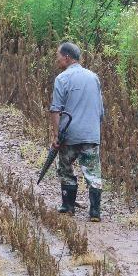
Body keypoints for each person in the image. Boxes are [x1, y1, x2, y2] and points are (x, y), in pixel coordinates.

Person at [49, 41, 105, 221]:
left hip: (70, 135)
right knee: (93, 173)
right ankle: (95, 212)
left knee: (65, 169)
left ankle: (68, 206)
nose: (57, 60)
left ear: (67, 58)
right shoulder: (93, 77)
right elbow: (100, 110)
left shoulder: (62, 79)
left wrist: (56, 135)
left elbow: (56, 109)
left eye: (58, 56)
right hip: (91, 134)